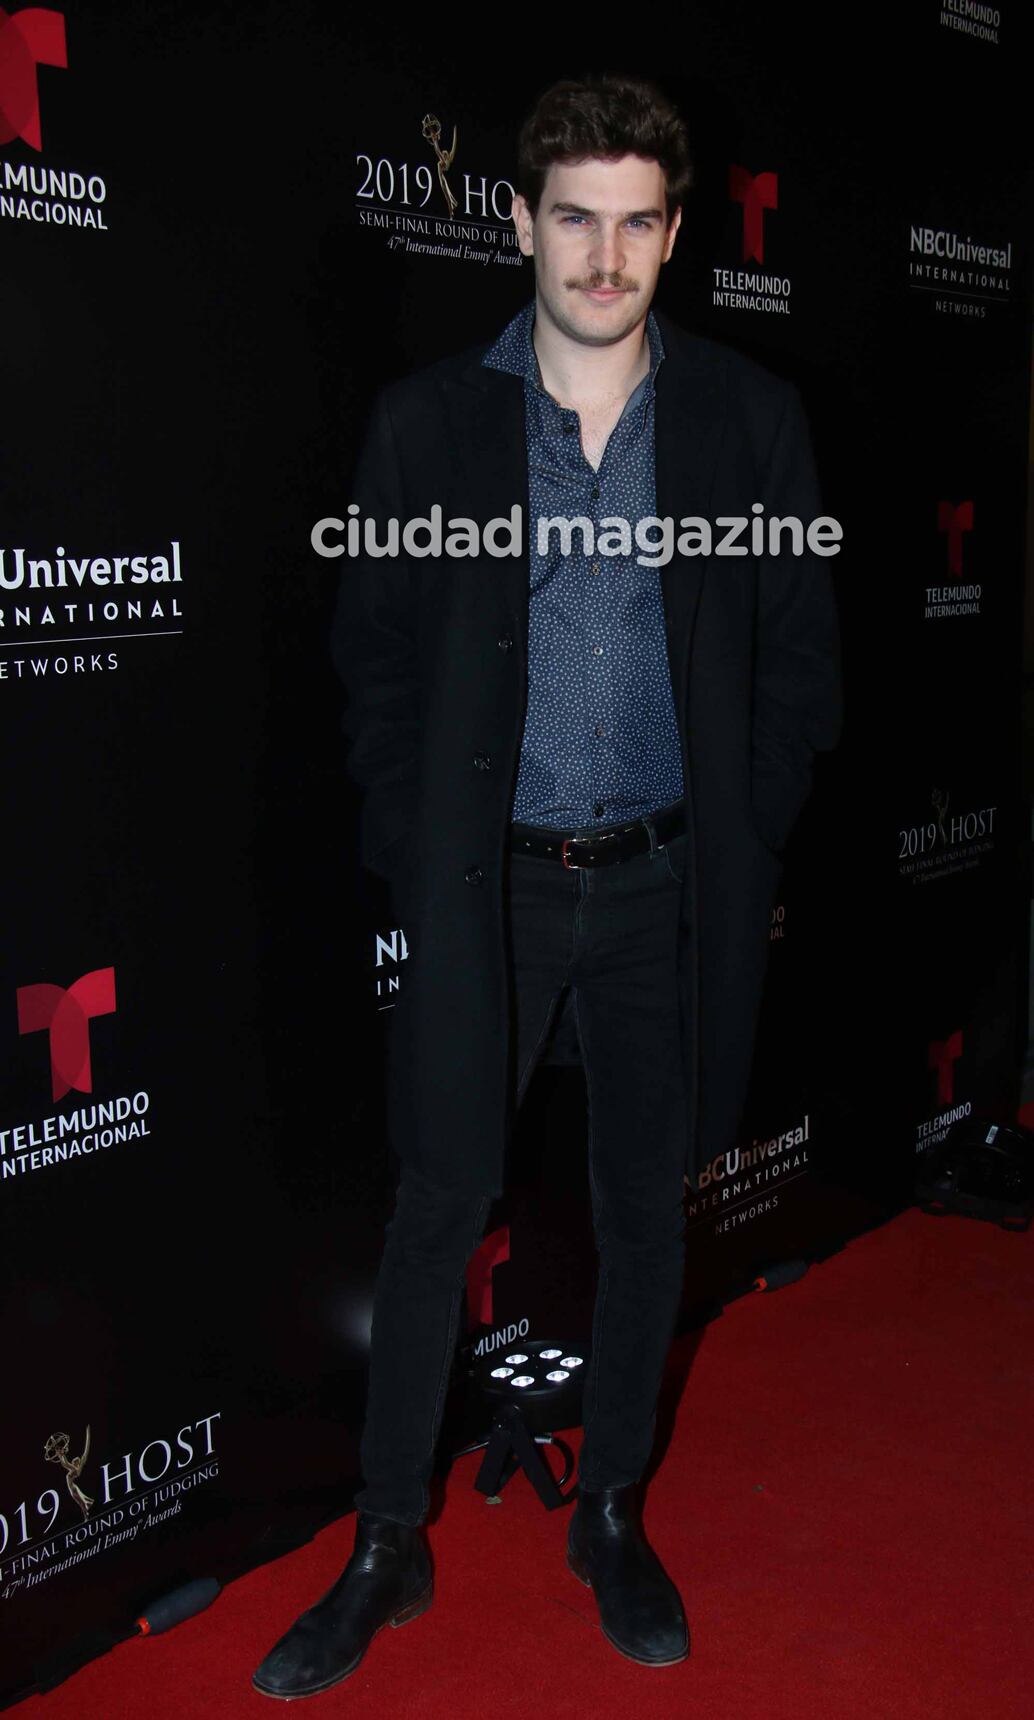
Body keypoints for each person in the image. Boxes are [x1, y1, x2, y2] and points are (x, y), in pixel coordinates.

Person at [252, 71, 842, 1700]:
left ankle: (615, 1515)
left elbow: (798, 665)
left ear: (672, 235)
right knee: (439, 1206)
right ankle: (387, 1542)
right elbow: (370, 662)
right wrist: (417, 848)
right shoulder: (429, 424)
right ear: (521, 223)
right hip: (488, 891)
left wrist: (749, 827)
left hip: (666, 887)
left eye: (633, 222)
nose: (601, 254)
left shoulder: (744, 421)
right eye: (571, 218)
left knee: (647, 1213)